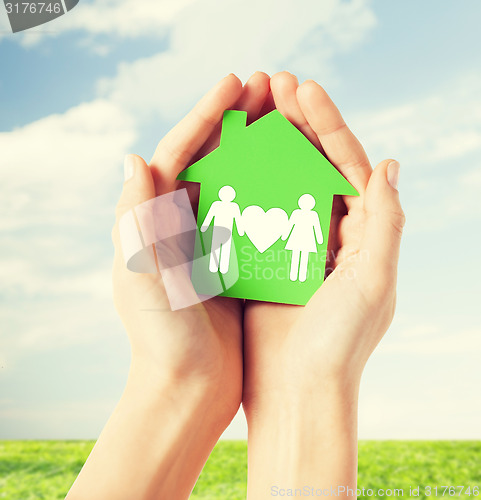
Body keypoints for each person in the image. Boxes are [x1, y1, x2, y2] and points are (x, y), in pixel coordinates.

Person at [66, 71, 404, 500]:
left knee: (274, 259)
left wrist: (300, 389)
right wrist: (177, 374)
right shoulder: (224, 209)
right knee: (227, 258)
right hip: (229, 251)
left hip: (291, 251)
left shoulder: (288, 212)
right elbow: (223, 222)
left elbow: (285, 225)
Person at [201, 185, 244, 274]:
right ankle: (213, 266)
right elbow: (209, 216)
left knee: (225, 250)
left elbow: (238, 219)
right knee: (216, 249)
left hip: (227, 231)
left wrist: (240, 230)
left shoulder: (234, 206)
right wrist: (204, 226)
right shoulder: (216, 204)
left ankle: (223, 268)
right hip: (217, 230)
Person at [282, 193, 323, 282]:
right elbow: (290, 225)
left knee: (304, 258)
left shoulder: (313, 214)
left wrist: (319, 239)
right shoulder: (296, 213)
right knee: (296, 257)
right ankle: (293, 276)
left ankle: (302, 277)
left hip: (307, 238)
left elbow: (317, 227)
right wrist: (285, 235)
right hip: (297, 237)